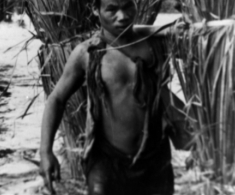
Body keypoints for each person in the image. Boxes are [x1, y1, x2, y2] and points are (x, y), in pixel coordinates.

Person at [39, 0, 190, 194]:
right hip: (107, 159)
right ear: (95, 9)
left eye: (128, 6)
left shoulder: (156, 41)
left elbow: (198, 35)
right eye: (111, 9)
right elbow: (56, 99)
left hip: (155, 157)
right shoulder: (87, 53)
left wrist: (182, 8)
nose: (122, 16)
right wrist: (45, 151)